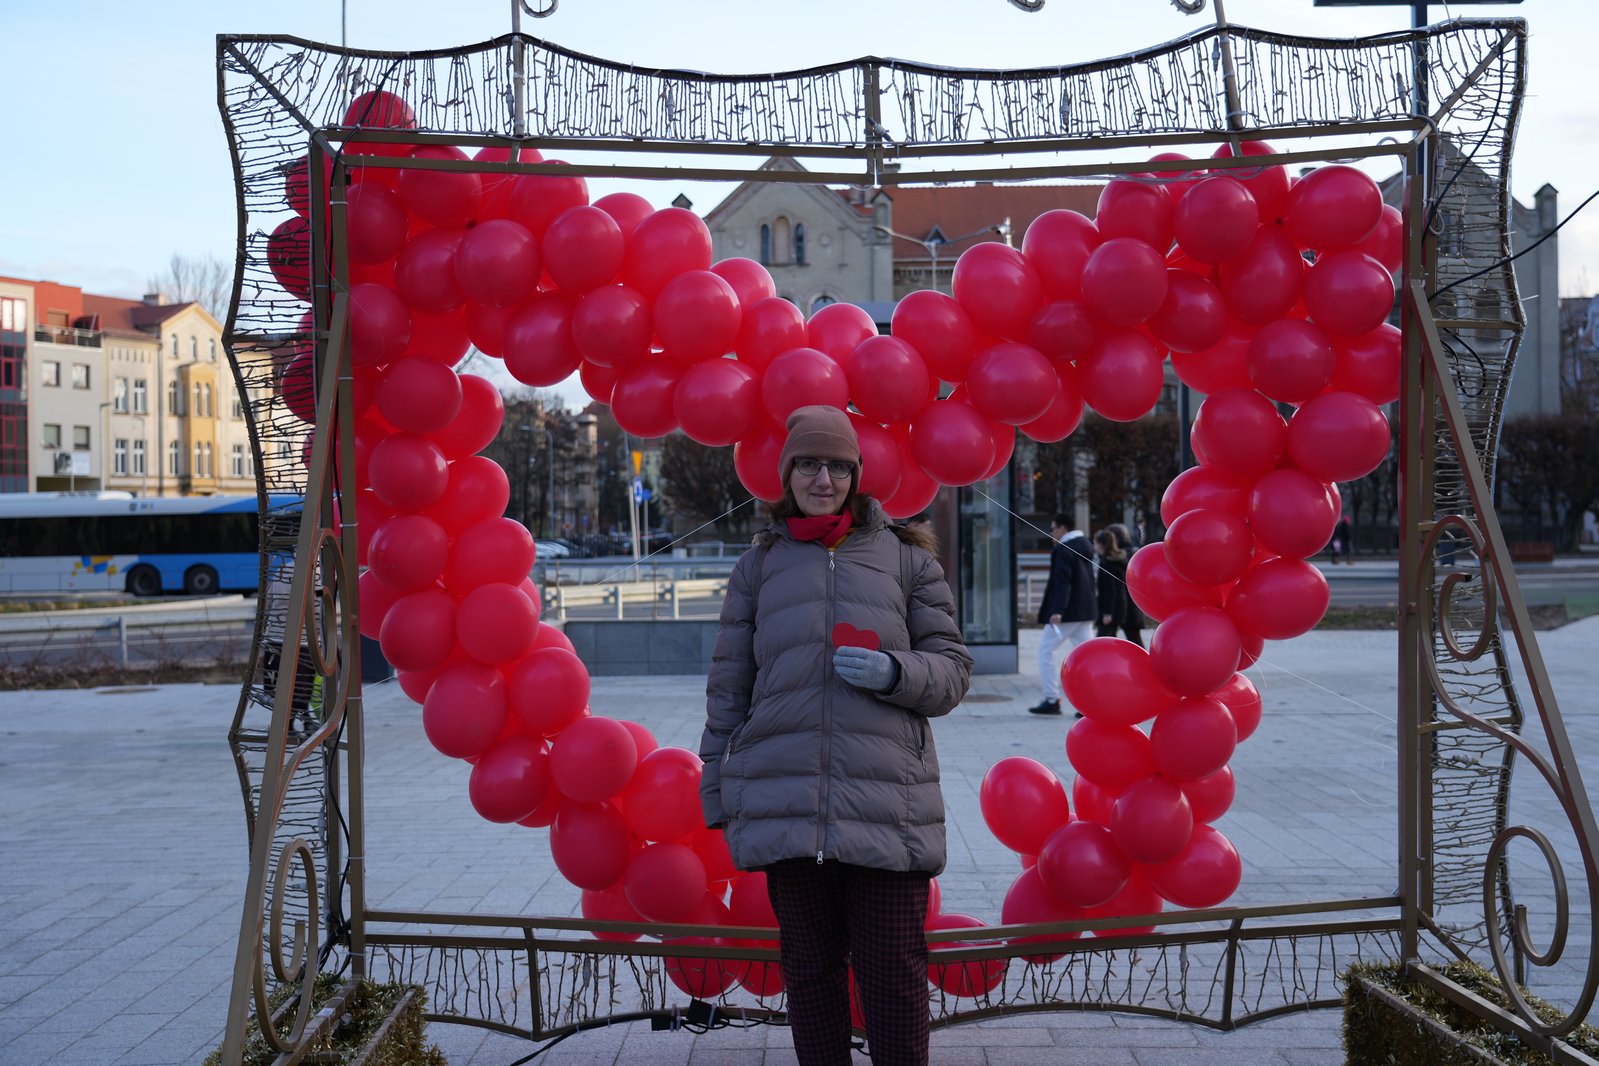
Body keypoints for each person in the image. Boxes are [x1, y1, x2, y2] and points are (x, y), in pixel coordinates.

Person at [700, 405, 973, 1066]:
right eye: (808, 465)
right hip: (787, 801)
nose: (822, 479)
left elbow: (953, 671)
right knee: (812, 979)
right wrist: (716, 786)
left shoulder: (906, 561)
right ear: (786, 474)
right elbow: (728, 688)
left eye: (837, 466)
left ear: (856, 475)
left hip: (887, 806)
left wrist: (894, 671)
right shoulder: (758, 567)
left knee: (893, 979)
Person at [1028, 514, 1095, 716]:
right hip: (1085, 611)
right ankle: (1090, 702)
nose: (1050, 533)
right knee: (1088, 657)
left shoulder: (1064, 550)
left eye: (1052, 528)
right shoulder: (1084, 545)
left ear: (1062, 528)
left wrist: (1057, 610)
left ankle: (1052, 699)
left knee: (1045, 652)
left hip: (1067, 613)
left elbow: (1062, 582)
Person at [1094, 528, 1143, 647]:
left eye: (1094, 543)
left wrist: (1107, 613)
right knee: (1132, 641)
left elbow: (1110, 591)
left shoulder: (1108, 563)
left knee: (1103, 642)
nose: (1093, 546)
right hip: (1124, 607)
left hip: (1116, 609)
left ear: (1101, 545)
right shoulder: (1118, 559)